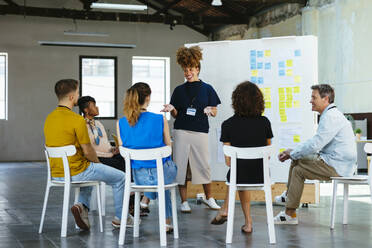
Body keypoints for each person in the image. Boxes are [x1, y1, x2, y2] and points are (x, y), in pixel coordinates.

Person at [44, 79, 126, 230]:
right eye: (77, 93)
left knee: (91, 173)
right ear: (71, 97)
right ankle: (122, 218)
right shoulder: (77, 120)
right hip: (76, 171)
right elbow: (88, 151)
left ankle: (82, 207)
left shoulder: (49, 118)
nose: (78, 96)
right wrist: (99, 164)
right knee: (121, 178)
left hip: (56, 173)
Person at [274, 84, 357, 224]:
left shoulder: (330, 116)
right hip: (336, 162)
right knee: (298, 162)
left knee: (298, 168)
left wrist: (291, 153)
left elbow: (315, 144)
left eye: (314, 97)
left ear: (325, 99)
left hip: (337, 166)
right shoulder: (331, 114)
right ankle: (289, 211)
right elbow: (315, 143)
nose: (310, 100)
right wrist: (293, 152)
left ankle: (289, 211)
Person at [161, 45, 221, 213]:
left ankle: (209, 198)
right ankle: (184, 201)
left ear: (197, 69)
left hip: (200, 131)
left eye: (190, 69)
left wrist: (211, 111)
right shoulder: (179, 90)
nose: (187, 72)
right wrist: (171, 109)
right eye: (185, 70)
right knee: (180, 165)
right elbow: (176, 114)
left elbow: (214, 110)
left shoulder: (207, 89)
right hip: (181, 131)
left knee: (203, 165)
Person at [210, 81, 273, 233]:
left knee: (236, 174)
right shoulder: (265, 122)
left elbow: (228, 161)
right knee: (240, 174)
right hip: (261, 175)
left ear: (236, 101)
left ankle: (226, 209)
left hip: (238, 174)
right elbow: (268, 154)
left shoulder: (228, 124)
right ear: (259, 101)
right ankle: (248, 223)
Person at [117, 82, 177, 232]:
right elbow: (169, 148)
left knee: (160, 175)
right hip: (160, 174)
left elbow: (124, 153)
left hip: (138, 178)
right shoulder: (160, 119)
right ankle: (166, 221)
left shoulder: (121, 123)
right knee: (167, 171)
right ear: (148, 98)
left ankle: (147, 198)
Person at [77, 96, 125, 172]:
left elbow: (104, 143)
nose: (97, 108)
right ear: (86, 110)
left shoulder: (98, 124)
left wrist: (113, 149)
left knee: (126, 159)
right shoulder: (82, 125)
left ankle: (131, 182)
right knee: (121, 165)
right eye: (93, 106)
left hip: (109, 154)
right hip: (97, 157)